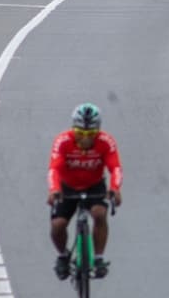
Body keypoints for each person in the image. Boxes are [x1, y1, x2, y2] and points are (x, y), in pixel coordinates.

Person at [48, 103, 123, 280]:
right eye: (80, 133)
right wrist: (54, 189)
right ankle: (63, 256)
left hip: (94, 185)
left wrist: (115, 189)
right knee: (58, 225)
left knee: (99, 214)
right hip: (67, 187)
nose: (85, 139)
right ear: (73, 129)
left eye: (91, 134)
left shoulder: (106, 142)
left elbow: (115, 168)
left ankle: (98, 258)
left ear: (98, 131)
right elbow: (54, 169)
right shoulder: (63, 141)